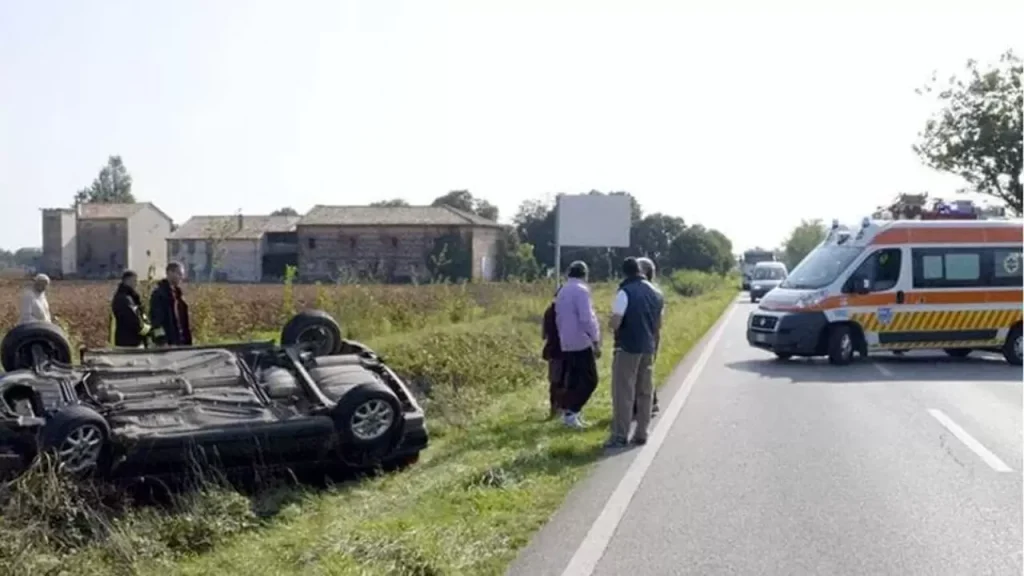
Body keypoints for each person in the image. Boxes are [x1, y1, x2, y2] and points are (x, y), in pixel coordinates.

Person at [606, 257, 664, 449]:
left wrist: (609, 325)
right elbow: (658, 325)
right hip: (648, 347)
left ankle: (620, 435)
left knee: (623, 392)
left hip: (627, 347)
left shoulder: (624, 292)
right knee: (645, 392)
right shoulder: (657, 292)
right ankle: (642, 433)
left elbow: (616, 322)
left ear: (625, 273)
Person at [554, 260, 601, 430]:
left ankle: (570, 414)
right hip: (581, 340)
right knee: (590, 380)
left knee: (573, 379)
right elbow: (586, 318)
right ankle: (572, 412)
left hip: (565, 340)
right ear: (585, 274)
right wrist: (595, 340)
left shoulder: (562, 290)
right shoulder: (581, 291)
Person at [633, 257, 661, 419]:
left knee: (640, 372)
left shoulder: (641, 290)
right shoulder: (655, 291)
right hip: (651, 336)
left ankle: (645, 405)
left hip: (643, 336)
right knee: (646, 370)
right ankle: (650, 403)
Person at [149, 262, 193, 346]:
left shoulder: (179, 295)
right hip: (168, 342)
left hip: (181, 341)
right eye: (179, 274)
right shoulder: (159, 294)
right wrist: (161, 341)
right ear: (169, 273)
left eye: (182, 274)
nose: (181, 277)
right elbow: (156, 321)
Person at [110, 270, 152, 348]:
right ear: (127, 281)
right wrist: (147, 332)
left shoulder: (131, 298)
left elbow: (141, 315)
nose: (136, 284)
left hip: (134, 340)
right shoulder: (123, 299)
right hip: (129, 342)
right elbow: (133, 320)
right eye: (135, 281)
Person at [541, 287, 565, 419]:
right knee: (564, 380)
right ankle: (562, 408)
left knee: (554, 381)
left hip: (552, 349)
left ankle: (554, 409)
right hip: (565, 349)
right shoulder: (566, 312)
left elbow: (543, 335)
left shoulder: (549, 311)